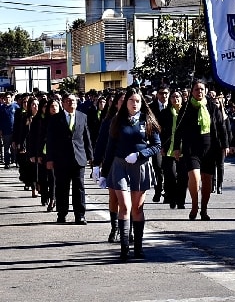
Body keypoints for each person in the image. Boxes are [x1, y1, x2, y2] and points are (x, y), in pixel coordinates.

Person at [102, 86, 161, 260]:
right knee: (125, 207)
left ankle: (138, 248)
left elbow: (157, 146)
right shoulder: (117, 121)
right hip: (120, 165)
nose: (134, 104)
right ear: (125, 102)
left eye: (137, 101)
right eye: (131, 100)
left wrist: (140, 154)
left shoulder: (147, 120)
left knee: (137, 208)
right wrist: (104, 172)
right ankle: (124, 247)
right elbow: (110, 147)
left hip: (140, 166)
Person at [173, 79, 230, 221]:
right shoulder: (186, 107)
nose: (199, 92)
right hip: (192, 148)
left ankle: (204, 209)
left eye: (202, 89)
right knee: (194, 177)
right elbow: (178, 129)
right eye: (196, 89)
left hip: (210, 148)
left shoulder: (212, 107)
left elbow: (221, 127)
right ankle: (194, 205)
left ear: (206, 91)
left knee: (207, 180)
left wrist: (226, 144)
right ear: (192, 91)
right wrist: (176, 148)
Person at [46, 92, 94, 225]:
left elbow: (86, 138)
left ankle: (80, 215)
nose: (70, 102)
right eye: (67, 101)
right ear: (63, 103)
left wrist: (90, 157)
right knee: (62, 187)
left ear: (77, 103)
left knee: (79, 187)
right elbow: (50, 140)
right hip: (61, 159)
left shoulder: (82, 116)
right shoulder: (56, 119)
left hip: (79, 157)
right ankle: (62, 214)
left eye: (73, 100)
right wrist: (49, 159)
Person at [92, 90, 126, 243]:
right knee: (114, 197)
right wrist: (96, 165)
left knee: (130, 198)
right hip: (112, 163)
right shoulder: (109, 121)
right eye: (121, 101)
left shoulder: (139, 120)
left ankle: (128, 230)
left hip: (132, 164)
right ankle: (115, 228)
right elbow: (100, 144)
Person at [161, 88, 188, 209]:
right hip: (168, 149)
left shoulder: (187, 112)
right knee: (170, 176)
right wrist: (161, 146)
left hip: (184, 149)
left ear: (182, 98)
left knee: (183, 177)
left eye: (178, 97)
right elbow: (160, 132)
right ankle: (172, 198)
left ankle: (181, 200)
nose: (175, 99)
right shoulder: (165, 113)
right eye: (173, 97)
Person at [148, 84, 170, 203]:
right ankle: (158, 190)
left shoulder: (172, 107)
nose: (164, 96)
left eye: (166, 93)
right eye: (161, 93)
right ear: (157, 95)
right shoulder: (151, 108)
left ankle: (167, 193)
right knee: (158, 167)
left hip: (169, 142)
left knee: (169, 169)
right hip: (155, 143)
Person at [211, 93, 232, 194]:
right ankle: (212, 185)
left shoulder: (224, 117)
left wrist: (227, 145)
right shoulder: (210, 115)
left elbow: (228, 132)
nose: (216, 105)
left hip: (221, 144)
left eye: (217, 103)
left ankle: (219, 185)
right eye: (214, 103)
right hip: (211, 144)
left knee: (220, 165)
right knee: (211, 165)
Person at [0, 92, 19, 169]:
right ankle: (7, 163)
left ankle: (15, 162)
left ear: (11, 98)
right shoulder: (1, 108)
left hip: (15, 131)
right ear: (4, 99)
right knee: (6, 148)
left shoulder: (16, 107)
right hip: (6, 132)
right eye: (6, 97)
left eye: (9, 97)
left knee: (15, 147)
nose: (7, 99)